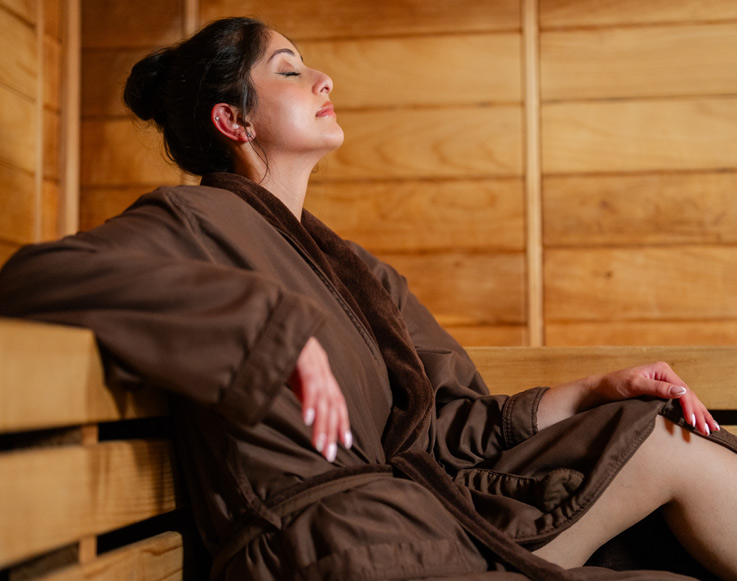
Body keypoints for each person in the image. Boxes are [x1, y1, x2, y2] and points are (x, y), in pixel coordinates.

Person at [0, 16, 736, 581]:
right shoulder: (191, 221)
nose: (322, 79)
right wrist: (265, 332)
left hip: (419, 519)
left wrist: (589, 391)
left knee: (659, 429)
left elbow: (445, 427)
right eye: (288, 70)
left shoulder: (356, 269)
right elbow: (35, 276)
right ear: (234, 121)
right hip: (329, 550)